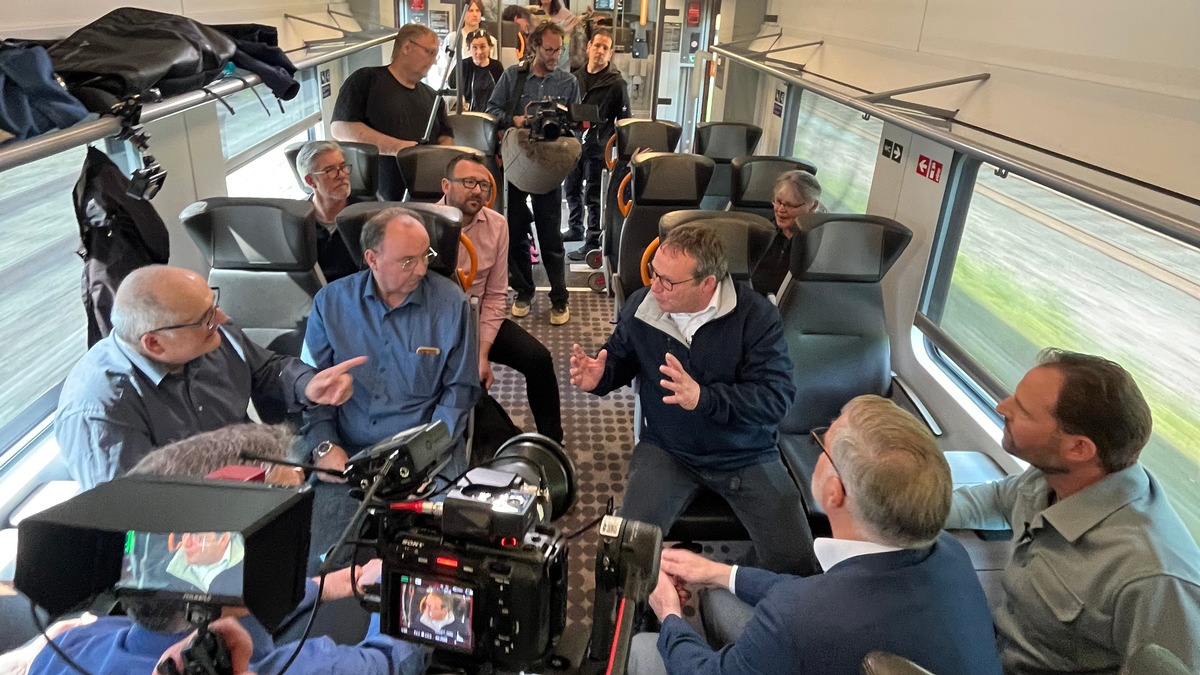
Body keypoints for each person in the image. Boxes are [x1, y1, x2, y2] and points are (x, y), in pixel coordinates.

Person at [628, 395, 1003, 675]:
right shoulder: (952, 555)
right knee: (722, 599)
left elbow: (795, 616)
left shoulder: (796, 617)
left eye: (822, 443)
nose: (817, 448)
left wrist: (671, 613)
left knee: (644, 652)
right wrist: (719, 573)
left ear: (835, 491)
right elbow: (812, 601)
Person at [28, 426, 427, 675]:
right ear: (194, 544)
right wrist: (409, 595)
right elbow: (390, 661)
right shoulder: (296, 667)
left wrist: (338, 582)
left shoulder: (68, 645)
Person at [569, 223, 817, 575]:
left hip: (744, 453)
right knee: (625, 555)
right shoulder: (643, 307)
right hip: (669, 450)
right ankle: (634, 623)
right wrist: (600, 377)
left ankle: (738, 588)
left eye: (668, 281)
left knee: (796, 561)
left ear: (707, 284)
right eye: (654, 273)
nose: (654, 286)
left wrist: (704, 398)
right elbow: (620, 358)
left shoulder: (757, 318)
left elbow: (775, 399)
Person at [945, 349, 1200, 673]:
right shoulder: (1050, 476)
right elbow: (992, 501)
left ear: (1079, 448)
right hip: (990, 649)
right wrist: (884, 508)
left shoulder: (1154, 577)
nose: (1001, 406)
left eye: (1022, 410)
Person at [54, 265, 365, 490]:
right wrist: (261, 480)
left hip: (253, 469)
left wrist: (306, 384)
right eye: (206, 318)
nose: (222, 318)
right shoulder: (99, 409)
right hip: (187, 521)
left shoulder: (216, 336)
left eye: (213, 304)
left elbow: (267, 369)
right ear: (155, 343)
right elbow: (133, 512)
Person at [301, 207, 480, 479]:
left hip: (424, 449)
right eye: (408, 261)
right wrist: (324, 446)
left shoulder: (451, 305)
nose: (421, 269)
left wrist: (425, 453)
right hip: (347, 450)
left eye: (425, 256)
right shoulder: (329, 304)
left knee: (437, 520)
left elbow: (459, 392)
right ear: (372, 259)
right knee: (324, 521)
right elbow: (313, 387)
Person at [438, 155, 563, 441]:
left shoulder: (497, 224)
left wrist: (481, 352)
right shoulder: (422, 223)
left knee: (539, 359)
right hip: (437, 324)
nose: (477, 190)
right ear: (446, 185)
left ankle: (552, 442)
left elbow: (495, 295)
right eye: (469, 182)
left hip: (479, 316)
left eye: (483, 184)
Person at [486, 21, 580, 325]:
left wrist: (564, 125)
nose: (554, 56)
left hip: (549, 166)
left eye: (559, 50)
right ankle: (524, 291)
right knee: (514, 231)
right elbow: (492, 110)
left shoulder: (568, 83)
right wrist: (514, 118)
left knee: (551, 233)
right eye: (549, 49)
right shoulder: (514, 76)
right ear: (535, 46)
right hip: (515, 162)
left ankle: (559, 298)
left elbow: (576, 125)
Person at [331, 23, 454, 200]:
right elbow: (341, 129)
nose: (434, 60)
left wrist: (433, 163)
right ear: (407, 47)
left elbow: (446, 137)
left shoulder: (433, 97)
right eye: (430, 52)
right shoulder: (366, 80)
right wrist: (400, 149)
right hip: (376, 198)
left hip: (425, 199)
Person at [566, 27, 630, 257]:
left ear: (610, 53)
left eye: (605, 48)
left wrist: (622, 154)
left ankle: (593, 240)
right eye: (597, 46)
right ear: (588, 47)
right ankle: (575, 229)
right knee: (571, 189)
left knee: (592, 195)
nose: (600, 51)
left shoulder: (616, 84)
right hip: (573, 145)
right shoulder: (574, 77)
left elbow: (625, 120)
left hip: (598, 148)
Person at [295, 140, 369, 282]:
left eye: (343, 166)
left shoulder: (367, 214)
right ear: (311, 181)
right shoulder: (298, 221)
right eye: (330, 170)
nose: (341, 175)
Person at [748, 170, 820, 296]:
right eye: (778, 201)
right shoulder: (759, 233)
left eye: (790, 205)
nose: (781, 209)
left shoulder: (819, 246)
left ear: (813, 206)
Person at [447, 30, 504, 112]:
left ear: (490, 47)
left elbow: (502, 93)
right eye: (474, 47)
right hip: (468, 116)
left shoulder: (497, 67)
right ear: (469, 48)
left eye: (482, 47)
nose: (479, 52)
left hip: (492, 115)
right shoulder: (462, 65)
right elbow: (452, 89)